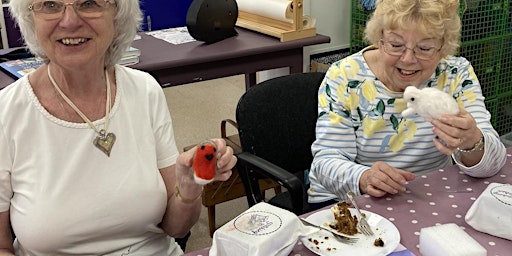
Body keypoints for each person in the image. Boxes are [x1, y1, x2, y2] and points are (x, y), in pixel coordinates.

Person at [0, 0, 237, 255]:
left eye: (89, 3)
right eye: (50, 4)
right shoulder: (7, 113)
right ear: (30, 18)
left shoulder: (145, 91)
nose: (69, 21)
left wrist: (189, 188)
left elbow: (176, 228)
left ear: (117, 16)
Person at [307, 0, 507, 208]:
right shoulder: (345, 77)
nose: (408, 59)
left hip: (429, 196)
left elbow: (493, 164)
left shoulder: (456, 75)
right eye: (396, 45)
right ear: (379, 39)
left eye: (425, 48)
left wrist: (472, 141)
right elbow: (326, 162)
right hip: (350, 199)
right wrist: (364, 177)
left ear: (443, 48)